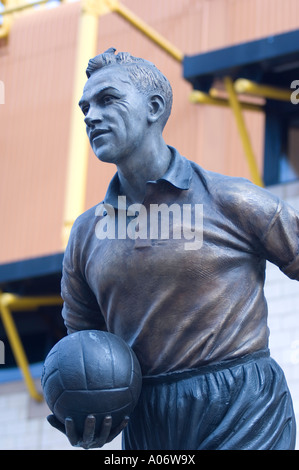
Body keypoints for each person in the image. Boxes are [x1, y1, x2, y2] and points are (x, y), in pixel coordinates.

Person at [48, 48, 297, 450]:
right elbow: (84, 349)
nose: (91, 116)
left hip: (244, 408)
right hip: (149, 421)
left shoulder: (234, 201)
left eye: (107, 100)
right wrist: (83, 408)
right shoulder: (85, 235)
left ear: (154, 107)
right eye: (85, 108)